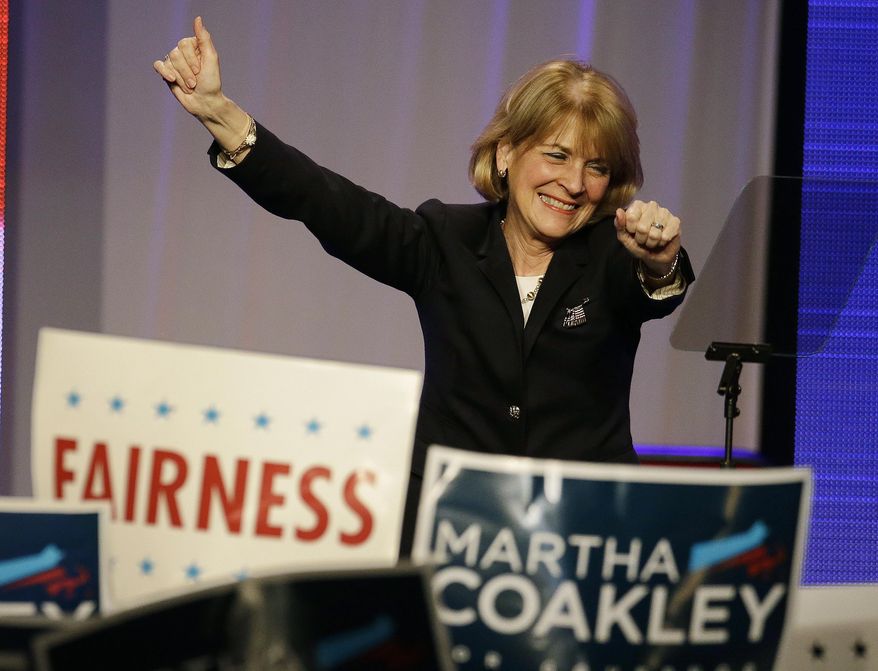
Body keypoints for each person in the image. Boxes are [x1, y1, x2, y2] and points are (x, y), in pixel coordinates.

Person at [154, 17, 694, 555]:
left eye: (595, 167)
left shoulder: (613, 255)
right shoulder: (447, 240)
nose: (574, 184)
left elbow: (653, 285)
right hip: (453, 528)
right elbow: (326, 201)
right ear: (507, 154)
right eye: (556, 155)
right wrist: (219, 112)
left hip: (585, 531)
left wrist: (661, 263)